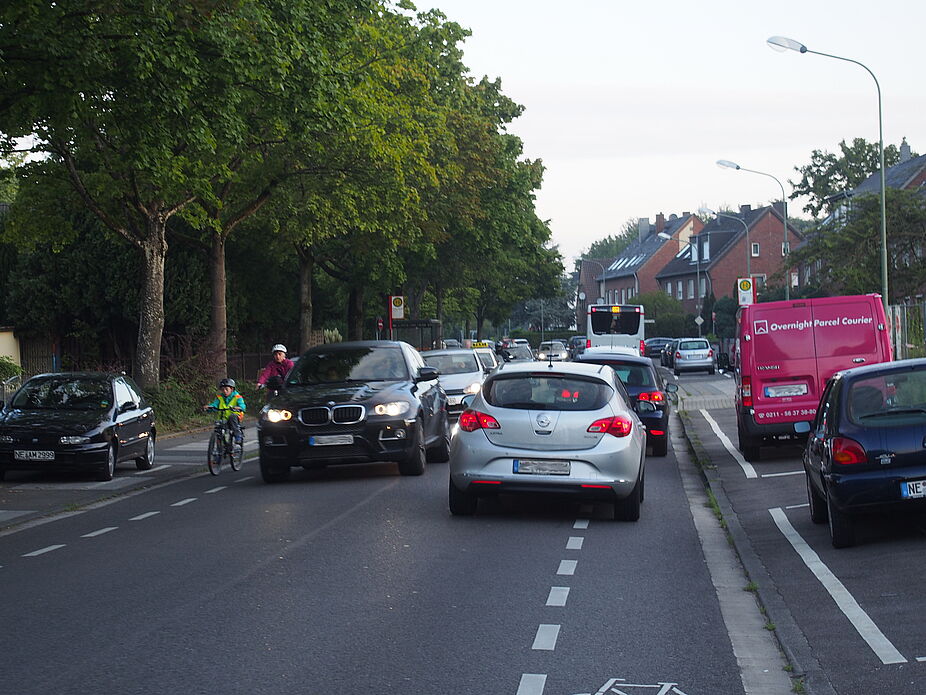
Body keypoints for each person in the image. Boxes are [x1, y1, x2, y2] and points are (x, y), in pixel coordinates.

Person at [204, 378, 246, 444]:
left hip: (235, 417)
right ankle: (220, 445)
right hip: (223, 418)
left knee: (232, 418)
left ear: (232, 389)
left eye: (226, 389)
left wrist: (238, 407)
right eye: (223, 389)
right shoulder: (220, 397)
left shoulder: (237, 397)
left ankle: (238, 436)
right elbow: (215, 404)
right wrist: (209, 407)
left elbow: (243, 406)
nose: (224, 391)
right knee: (218, 428)